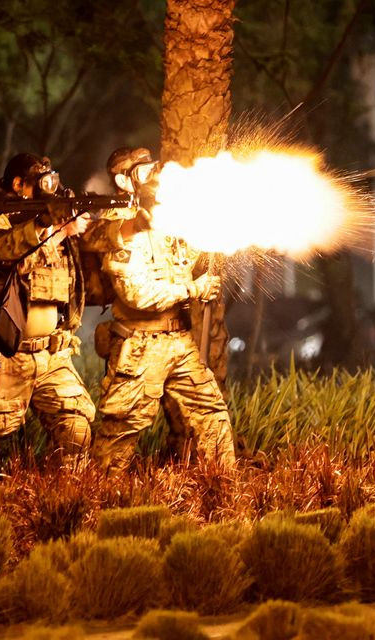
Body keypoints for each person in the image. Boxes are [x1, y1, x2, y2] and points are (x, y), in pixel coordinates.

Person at [87, 146, 236, 473]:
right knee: (121, 430)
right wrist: (191, 289)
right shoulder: (122, 227)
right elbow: (136, 295)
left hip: (180, 342)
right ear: (124, 182)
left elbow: (192, 256)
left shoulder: (168, 217)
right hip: (141, 346)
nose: (152, 175)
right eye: (140, 172)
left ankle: (225, 490)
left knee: (212, 415)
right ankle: (97, 502)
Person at [0, 153, 95, 472]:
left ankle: (61, 503)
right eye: (39, 183)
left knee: (76, 431)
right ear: (17, 184)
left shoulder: (49, 222)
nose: (48, 189)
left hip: (51, 355)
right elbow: (7, 257)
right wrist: (56, 230)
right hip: (3, 356)